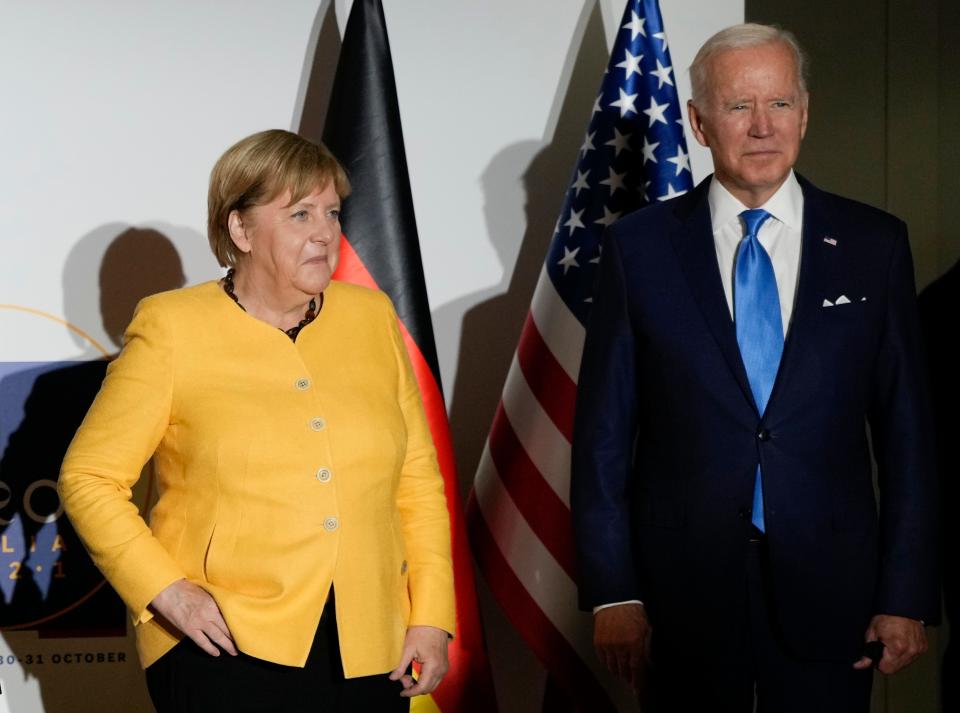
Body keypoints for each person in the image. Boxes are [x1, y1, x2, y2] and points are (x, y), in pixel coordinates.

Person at [571, 23, 938, 713]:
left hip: (834, 589)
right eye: (739, 107)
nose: (763, 126)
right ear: (699, 122)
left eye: (779, 104)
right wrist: (614, 589)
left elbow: (908, 437)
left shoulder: (874, 244)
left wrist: (906, 592)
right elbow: (602, 440)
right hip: (682, 593)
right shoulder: (639, 249)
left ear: (806, 112)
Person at [59, 129, 455, 712]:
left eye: (332, 212)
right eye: (299, 214)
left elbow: (416, 481)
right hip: (222, 645)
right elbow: (88, 477)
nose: (325, 232)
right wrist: (166, 595)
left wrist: (432, 616)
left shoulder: (371, 316)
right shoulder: (172, 327)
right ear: (240, 230)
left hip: (370, 647)